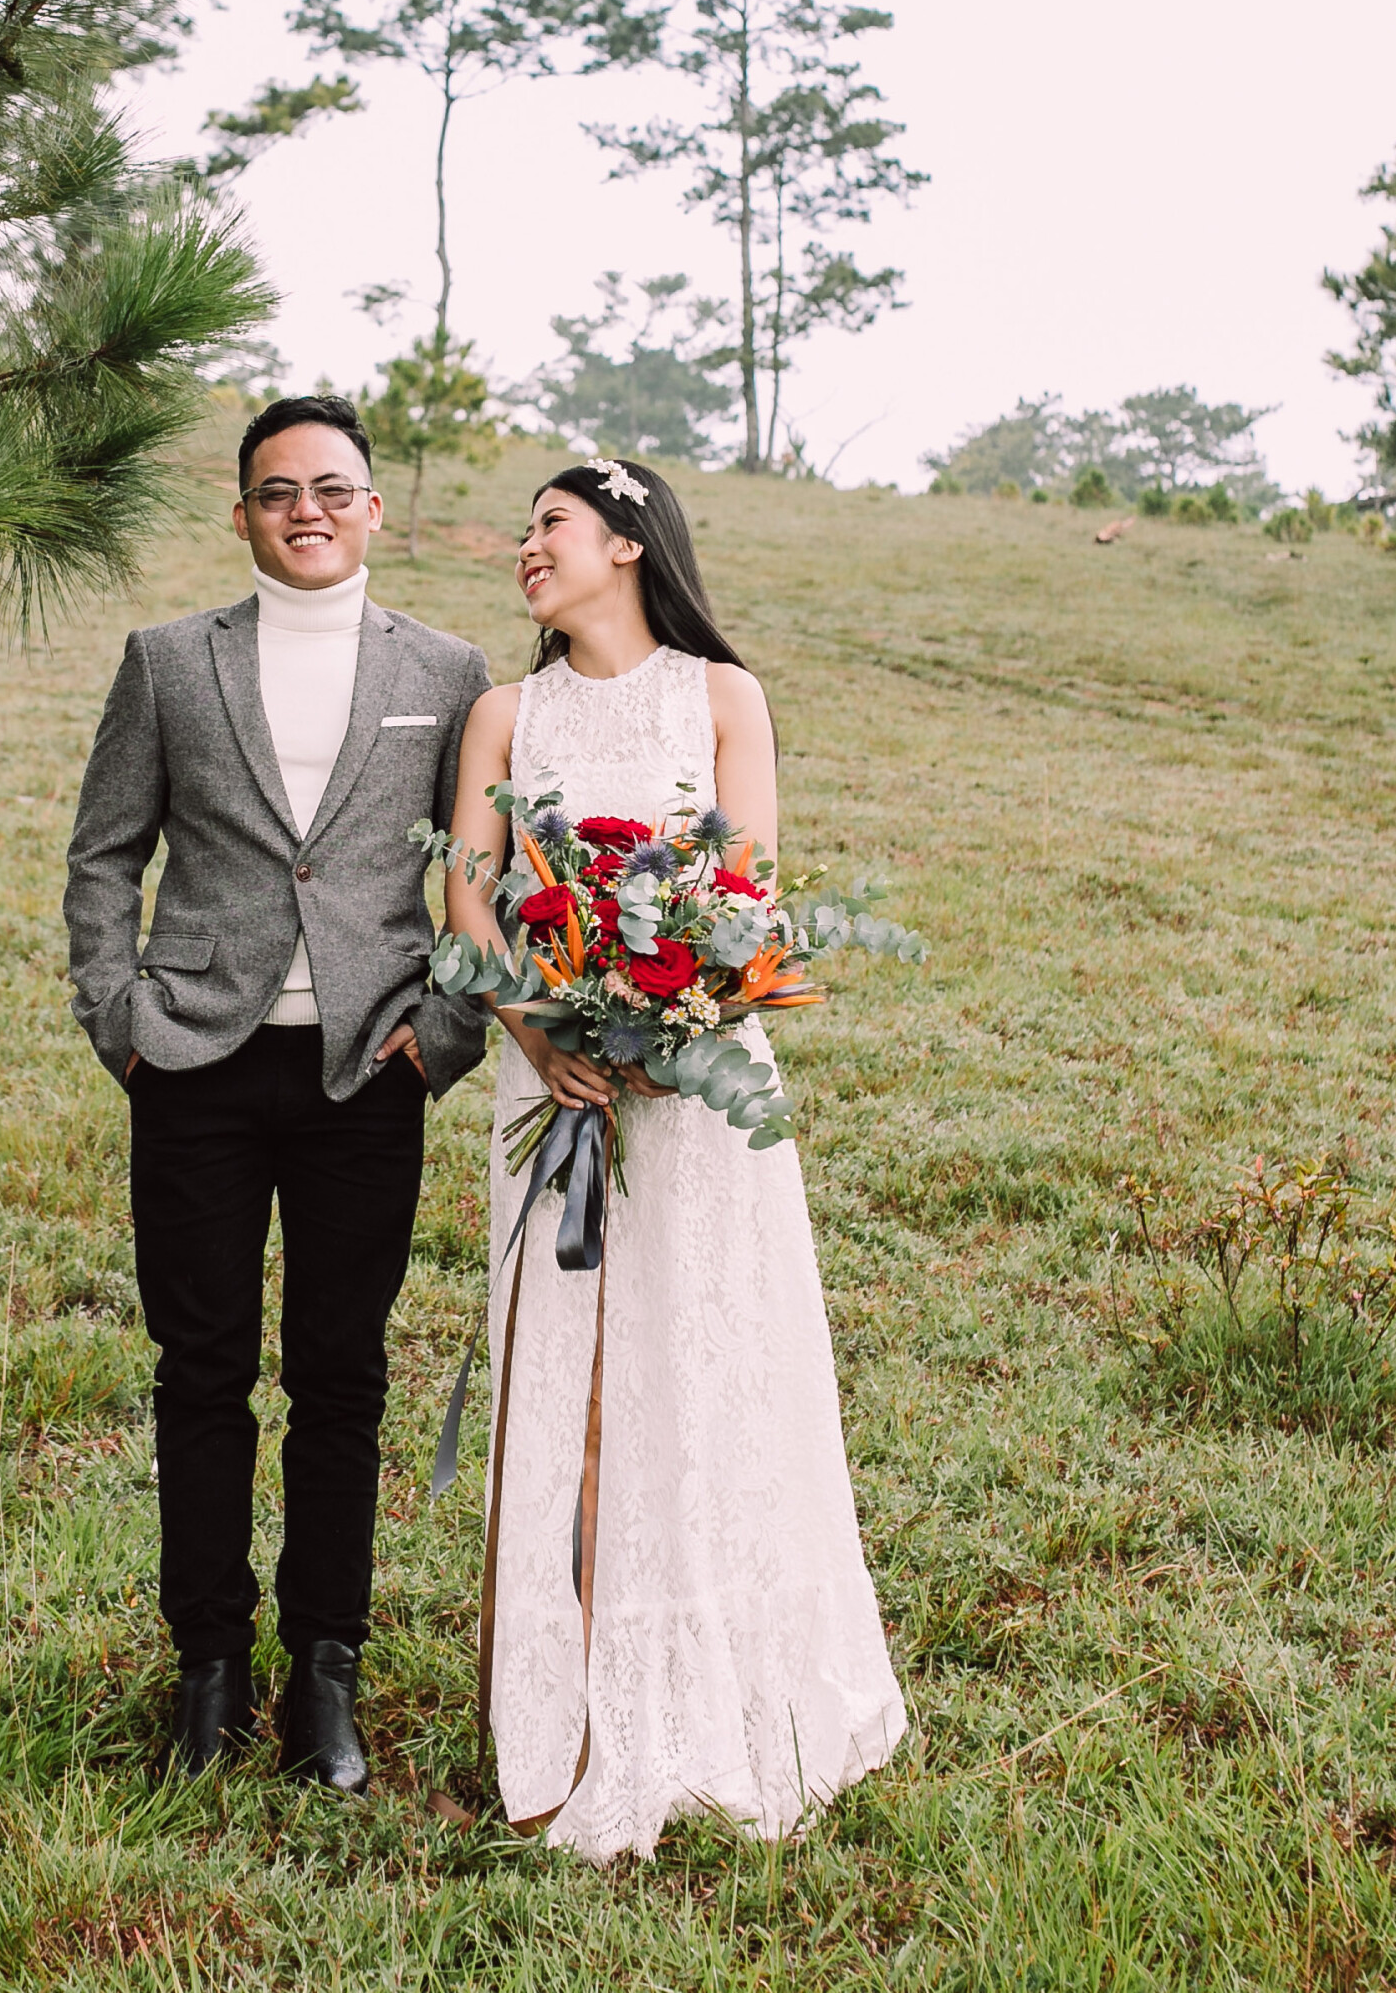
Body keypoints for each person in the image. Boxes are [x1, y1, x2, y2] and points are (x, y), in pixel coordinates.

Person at [435, 456, 906, 1859]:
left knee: (706, 1363)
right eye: (525, 535)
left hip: (699, 1093)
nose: (528, 551)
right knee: (578, 1365)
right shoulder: (504, 716)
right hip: (555, 1087)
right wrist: (536, 1026)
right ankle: (574, 1703)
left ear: (629, 542)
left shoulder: (723, 696)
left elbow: (743, 885)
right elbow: (467, 893)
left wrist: (664, 1014)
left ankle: (735, 1691)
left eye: (552, 528)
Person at [61, 394, 496, 1788]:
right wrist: (118, 1019)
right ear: (240, 513)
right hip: (191, 1063)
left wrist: (450, 1030)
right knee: (201, 1373)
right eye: (275, 491)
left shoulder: (449, 668)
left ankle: (325, 1673)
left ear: (374, 508)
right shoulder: (168, 663)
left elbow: (480, 879)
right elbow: (102, 854)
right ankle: (210, 1666)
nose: (304, 509)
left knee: (341, 1378)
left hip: (368, 1068)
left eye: (330, 487)